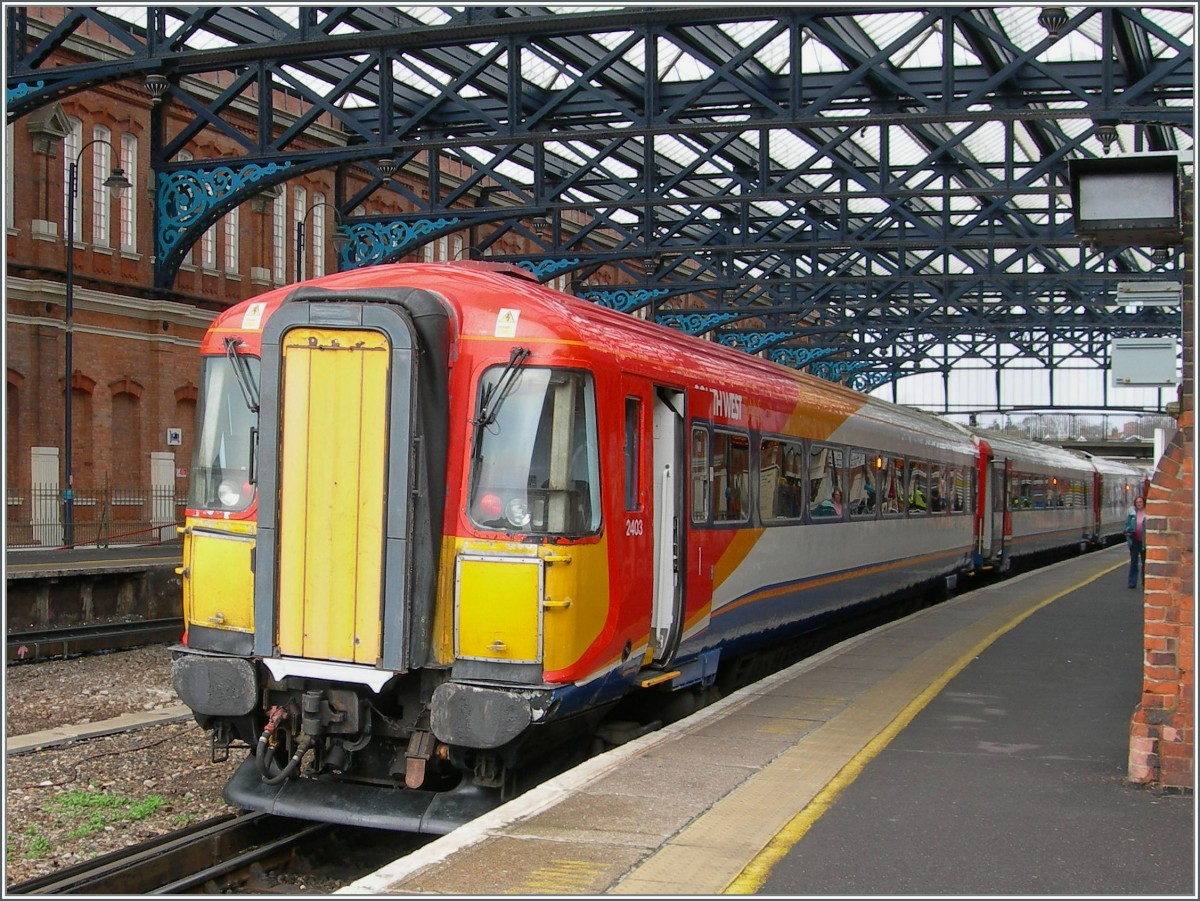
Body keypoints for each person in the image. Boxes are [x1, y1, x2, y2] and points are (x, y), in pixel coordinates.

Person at [1124, 495, 1147, 589]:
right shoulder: (1132, 514)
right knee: (1134, 562)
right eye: (1137, 502)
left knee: (1145, 563)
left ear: (1144, 503)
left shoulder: (1148, 513)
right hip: (1134, 541)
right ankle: (1132, 582)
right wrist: (1128, 530)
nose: (1139, 504)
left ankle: (1145, 582)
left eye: (1140, 502)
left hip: (1144, 542)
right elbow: (1127, 525)